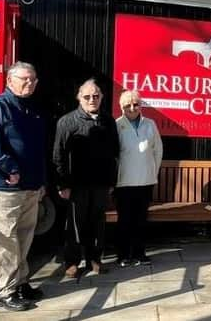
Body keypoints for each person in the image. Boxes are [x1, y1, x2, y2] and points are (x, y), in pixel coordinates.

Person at [0, 61, 45, 311]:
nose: (29, 83)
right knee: (5, 240)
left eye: (33, 80)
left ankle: (20, 282)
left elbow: (37, 150)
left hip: (31, 186)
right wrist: (11, 168)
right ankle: (5, 291)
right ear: (9, 81)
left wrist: (42, 181)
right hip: (4, 187)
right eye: (24, 79)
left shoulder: (33, 108)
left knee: (25, 236)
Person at [53, 79, 119, 277]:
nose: (92, 100)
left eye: (96, 96)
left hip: (100, 183)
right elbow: (58, 154)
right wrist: (62, 184)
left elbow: (114, 153)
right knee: (75, 224)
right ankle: (72, 262)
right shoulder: (67, 121)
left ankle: (94, 260)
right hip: (76, 184)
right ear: (79, 98)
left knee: (97, 223)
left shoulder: (108, 121)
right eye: (87, 96)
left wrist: (111, 182)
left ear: (102, 98)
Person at [114, 89, 163, 267]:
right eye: (128, 105)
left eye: (136, 104)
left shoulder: (150, 124)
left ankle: (140, 254)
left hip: (145, 181)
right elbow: (114, 155)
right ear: (121, 107)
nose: (132, 108)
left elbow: (158, 150)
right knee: (125, 220)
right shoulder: (117, 125)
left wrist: (152, 170)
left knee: (141, 220)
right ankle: (123, 255)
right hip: (124, 182)